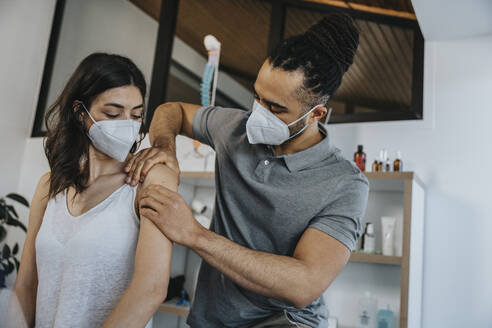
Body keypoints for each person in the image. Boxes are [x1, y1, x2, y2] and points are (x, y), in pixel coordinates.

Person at [126, 13, 369, 328]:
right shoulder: (234, 128)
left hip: (286, 322)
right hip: (211, 318)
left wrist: (194, 234)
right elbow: (170, 111)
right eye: (257, 97)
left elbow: (304, 284)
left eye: (276, 108)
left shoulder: (345, 183)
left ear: (316, 114)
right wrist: (164, 148)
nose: (258, 114)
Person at [7, 53, 177, 328]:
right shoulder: (49, 185)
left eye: (136, 115)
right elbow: (26, 285)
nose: (127, 125)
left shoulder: (150, 180)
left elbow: (151, 289)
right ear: (79, 112)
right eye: (112, 113)